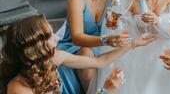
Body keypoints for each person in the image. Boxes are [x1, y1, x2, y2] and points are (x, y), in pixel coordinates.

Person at [0, 14, 156, 94]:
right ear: (35, 47)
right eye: (49, 36)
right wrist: (105, 90)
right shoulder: (18, 88)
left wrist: (133, 44)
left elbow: (99, 62)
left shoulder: (54, 58)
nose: (56, 38)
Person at [57, 0, 129, 93]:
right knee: (85, 52)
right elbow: (77, 37)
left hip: (105, 43)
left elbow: (129, 9)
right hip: (75, 45)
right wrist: (106, 40)